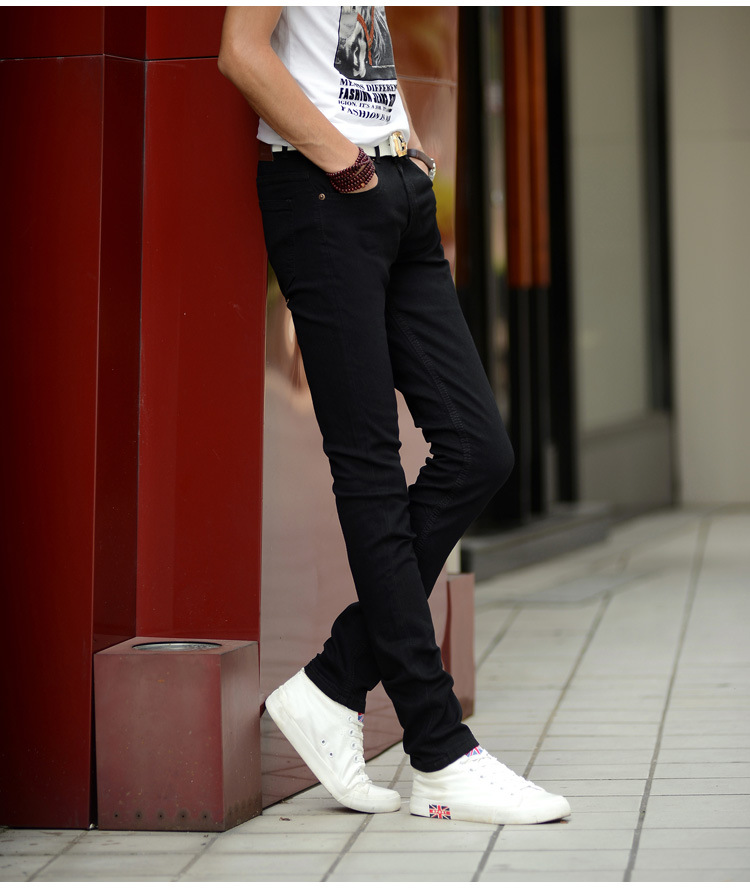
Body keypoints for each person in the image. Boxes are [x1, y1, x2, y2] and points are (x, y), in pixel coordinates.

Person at [219, 6, 571, 825]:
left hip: (394, 188)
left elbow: (357, 47)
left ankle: (334, 680)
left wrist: (402, 146)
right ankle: (440, 750)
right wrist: (344, 162)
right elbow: (240, 51)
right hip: (324, 192)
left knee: (479, 449)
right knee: (370, 469)